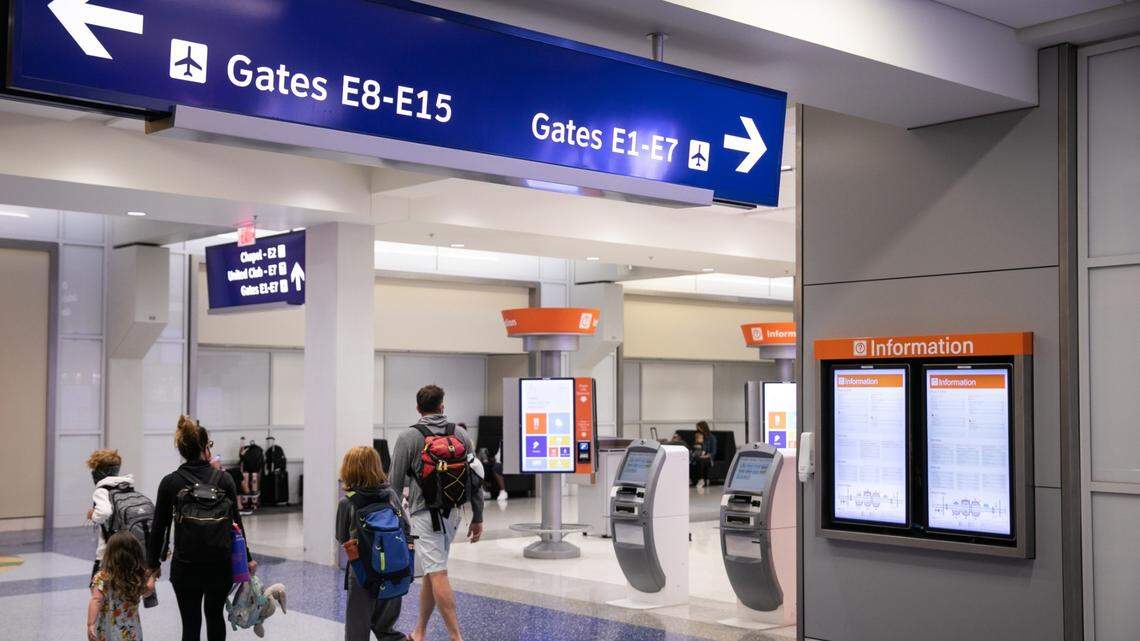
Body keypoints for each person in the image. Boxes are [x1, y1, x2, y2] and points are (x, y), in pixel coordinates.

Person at [389, 385, 485, 641]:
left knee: (438, 573)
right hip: (453, 514)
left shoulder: (409, 437)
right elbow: (476, 478)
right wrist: (478, 517)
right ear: (442, 406)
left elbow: (394, 486)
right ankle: (419, 631)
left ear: (418, 409)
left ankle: (456, 637)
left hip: (424, 516)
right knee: (434, 570)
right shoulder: (461, 434)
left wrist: (397, 524)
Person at [148, 416, 254, 641]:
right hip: (220, 564)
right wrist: (248, 559)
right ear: (206, 447)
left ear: (181, 449)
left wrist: (153, 564)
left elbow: (159, 527)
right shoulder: (224, 480)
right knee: (215, 617)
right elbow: (237, 525)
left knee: (190, 624)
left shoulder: (171, 482)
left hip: (186, 567)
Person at [336, 446, 409, 641]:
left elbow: (342, 538)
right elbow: (406, 528)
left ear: (348, 469)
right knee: (386, 629)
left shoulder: (347, 502)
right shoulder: (391, 496)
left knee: (357, 631)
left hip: (362, 573)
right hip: (394, 570)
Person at [87, 531, 154, 641]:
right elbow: (148, 591)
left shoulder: (102, 577)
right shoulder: (137, 576)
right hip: (131, 631)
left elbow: (96, 599)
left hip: (108, 630)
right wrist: (152, 577)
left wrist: (90, 624)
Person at [86, 449, 133, 581]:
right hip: (128, 551)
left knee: (97, 596)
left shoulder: (102, 491)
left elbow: (105, 512)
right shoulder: (127, 487)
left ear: (99, 472)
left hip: (107, 555)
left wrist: (93, 515)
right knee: (126, 596)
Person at [689, 421, 718, 488]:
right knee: (690, 459)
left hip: (708, 458)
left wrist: (704, 456)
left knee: (699, 460)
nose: (698, 430)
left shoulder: (712, 438)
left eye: (700, 429)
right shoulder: (698, 436)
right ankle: (690, 479)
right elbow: (695, 447)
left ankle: (701, 480)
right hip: (698, 455)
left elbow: (713, 452)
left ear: (704, 428)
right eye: (697, 429)